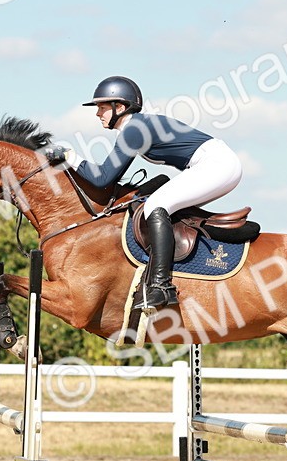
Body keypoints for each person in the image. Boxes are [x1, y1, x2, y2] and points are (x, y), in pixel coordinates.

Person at [47, 76, 242, 312]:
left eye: (102, 108)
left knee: (155, 206)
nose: (98, 114)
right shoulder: (135, 127)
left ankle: (161, 285)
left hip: (217, 165)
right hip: (217, 163)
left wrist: (70, 156)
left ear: (120, 107)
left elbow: (103, 178)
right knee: (156, 200)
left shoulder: (133, 130)